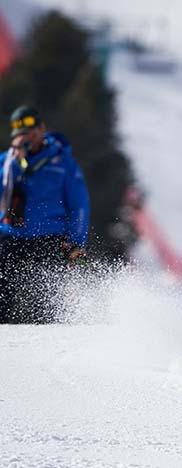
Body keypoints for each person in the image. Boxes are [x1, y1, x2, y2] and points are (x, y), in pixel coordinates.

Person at [0, 105, 90, 323]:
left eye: (32, 131)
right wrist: (13, 163)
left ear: (42, 128)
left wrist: (76, 241)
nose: (28, 137)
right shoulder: (7, 161)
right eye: (22, 134)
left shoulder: (63, 162)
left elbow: (79, 204)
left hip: (49, 236)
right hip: (12, 233)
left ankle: (53, 335)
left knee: (51, 299)